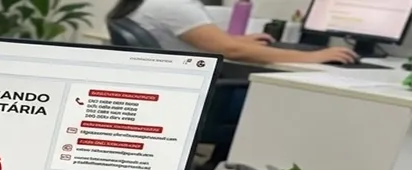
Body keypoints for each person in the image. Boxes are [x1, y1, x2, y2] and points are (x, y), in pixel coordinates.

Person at [109, 0, 358, 64]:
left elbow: (191, 38)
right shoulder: (175, 6)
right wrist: (314, 56)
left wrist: (237, 40)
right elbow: (232, 51)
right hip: (199, 91)